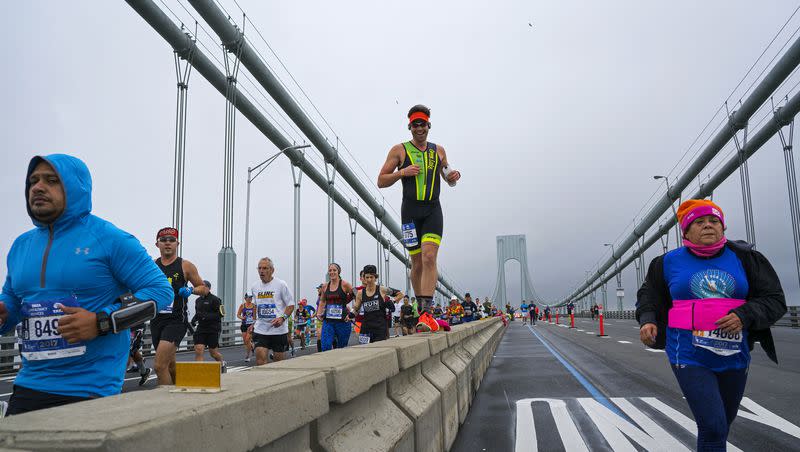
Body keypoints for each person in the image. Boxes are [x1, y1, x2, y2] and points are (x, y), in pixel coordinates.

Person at [0, 154, 172, 415]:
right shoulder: (20, 246)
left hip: (91, 387)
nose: (38, 187)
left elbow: (160, 291)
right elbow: (13, 301)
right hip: (30, 382)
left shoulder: (110, 239)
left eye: (51, 180)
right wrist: (4, 313)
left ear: (74, 186)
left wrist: (101, 321)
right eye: (33, 180)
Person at [636, 199, 787, 451]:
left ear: (723, 227)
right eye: (699, 221)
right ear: (685, 230)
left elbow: (774, 300)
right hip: (688, 353)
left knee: (723, 425)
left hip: (735, 353)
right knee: (713, 425)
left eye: (714, 221)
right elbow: (649, 295)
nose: (708, 225)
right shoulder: (666, 262)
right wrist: (648, 320)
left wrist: (745, 314)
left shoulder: (746, 258)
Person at [378, 104, 461, 330]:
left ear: (428, 125)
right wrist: (402, 172)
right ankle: (421, 308)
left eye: (422, 123)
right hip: (410, 213)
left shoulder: (439, 151)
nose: (419, 127)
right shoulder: (399, 150)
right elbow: (381, 180)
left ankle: (426, 313)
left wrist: (453, 176)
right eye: (415, 124)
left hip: (433, 210)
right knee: (416, 263)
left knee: (429, 257)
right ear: (410, 126)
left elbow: (449, 179)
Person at [152, 227, 209, 385]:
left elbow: (203, 288)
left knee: (159, 365)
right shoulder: (152, 265)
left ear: (178, 243)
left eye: (171, 240)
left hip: (176, 320)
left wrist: (191, 290)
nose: (168, 243)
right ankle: (180, 389)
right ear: (157, 244)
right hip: (156, 320)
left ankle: (167, 405)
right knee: (170, 365)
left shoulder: (186, 266)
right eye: (164, 240)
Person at [248, 257, 295, 365]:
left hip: (278, 330)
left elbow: (291, 305)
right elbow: (256, 306)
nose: (261, 271)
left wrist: (282, 318)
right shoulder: (255, 287)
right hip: (261, 329)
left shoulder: (281, 284)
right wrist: (253, 322)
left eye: (265, 268)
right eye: (259, 268)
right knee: (260, 359)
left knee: (278, 363)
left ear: (272, 270)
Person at [350, 265, 403, 344]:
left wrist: (392, 301)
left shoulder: (382, 289)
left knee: (379, 350)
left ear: (375, 278)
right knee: (365, 350)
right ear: (364, 278)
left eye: (371, 277)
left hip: (380, 327)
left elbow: (400, 294)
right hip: (366, 327)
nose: (369, 280)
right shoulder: (360, 293)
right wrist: (350, 315)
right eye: (367, 277)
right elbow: (356, 308)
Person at [317, 263, 354, 351]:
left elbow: (357, 296)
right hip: (328, 320)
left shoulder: (345, 284)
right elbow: (322, 300)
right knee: (325, 346)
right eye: (330, 270)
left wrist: (353, 312)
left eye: (334, 270)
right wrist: (319, 313)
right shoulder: (325, 286)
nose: (332, 272)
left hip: (343, 321)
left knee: (341, 348)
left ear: (338, 272)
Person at [190, 280, 225, 372]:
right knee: (198, 349)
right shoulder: (198, 300)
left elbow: (221, 314)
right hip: (201, 328)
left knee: (213, 353)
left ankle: (222, 362)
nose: (200, 288)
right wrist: (194, 320)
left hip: (213, 328)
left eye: (203, 286)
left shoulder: (215, 299)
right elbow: (198, 314)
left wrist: (206, 317)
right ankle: (199, 372)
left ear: (208, 288)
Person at [237, 293, 256, 362]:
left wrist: (253, 324)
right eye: (248, 297)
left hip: (251, 325)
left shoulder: (254, 306)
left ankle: (248, 356)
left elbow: (255, 317)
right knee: (245, 341)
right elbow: (238, 315)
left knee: (247, 339)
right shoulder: (242, 306)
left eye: (251, 297)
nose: (250, 299)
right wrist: (242, 317)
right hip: (244, 325)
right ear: (245, 298)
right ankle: (252, 346)